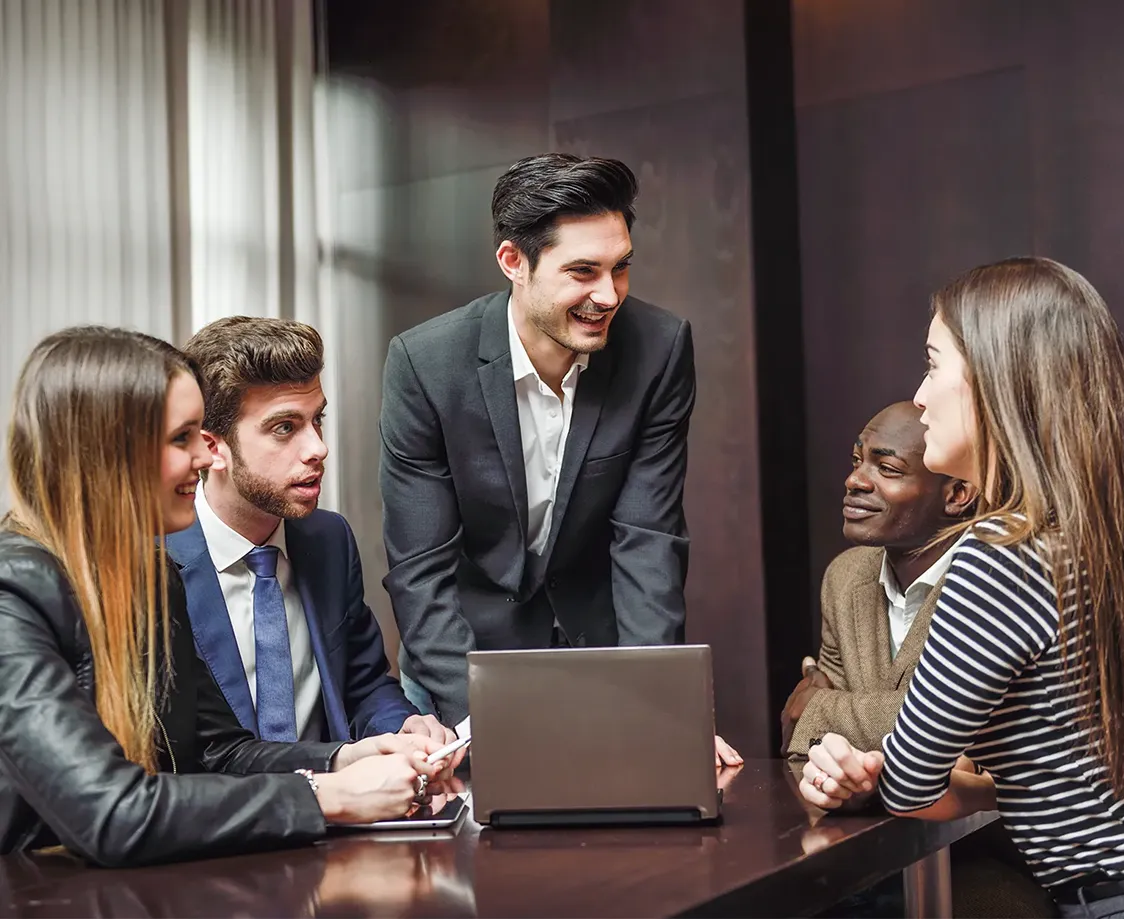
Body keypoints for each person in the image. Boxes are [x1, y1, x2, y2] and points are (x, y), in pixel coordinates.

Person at [0, 327, 455, 867]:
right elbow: (112, 811)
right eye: (182, 438)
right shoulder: (13, 594)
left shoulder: (148, 574)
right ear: (106, 452)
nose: (204, 456)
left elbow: (220, 750)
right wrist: (329, 797)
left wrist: (346, 757)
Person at [800, 258, 1124, 917]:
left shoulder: (1000, 554)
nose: (919, 397)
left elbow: (908, 786)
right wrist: (975, 782)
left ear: (995, 383)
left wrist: (880, 768)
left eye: (932, 364)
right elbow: (1075, 770)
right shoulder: (1094, 533)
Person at [379, 152, 740, 765]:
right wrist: (484, 722)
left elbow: (648, 539)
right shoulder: (426, 364)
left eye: (620, 268)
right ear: (513, 262)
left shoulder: (658, 349)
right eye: (582, 271)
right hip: (461, 667)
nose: (608, 295)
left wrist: (661, 708)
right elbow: (420, 567)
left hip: (601, 663)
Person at [168, 317, 454, 752]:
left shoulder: (328, 538)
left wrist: (401, 729)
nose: (318, 448)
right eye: (285, 428)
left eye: (316, 420)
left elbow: (361, 684)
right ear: (213, 448)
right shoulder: (155, 562)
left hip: (345, 813)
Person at [781, 401, 976, 756]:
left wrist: (821, 709)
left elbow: (963, 731)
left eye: (887, 468)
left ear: (956, 495)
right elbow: (807, 747)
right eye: (858, 460)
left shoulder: (993, 579)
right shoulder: (845, 577)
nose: (854, 480)